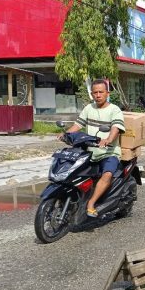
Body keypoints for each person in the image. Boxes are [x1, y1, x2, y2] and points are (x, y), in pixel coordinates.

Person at [59, 79, 125, 217]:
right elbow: (78, 125)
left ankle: (91, 203)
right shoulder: (89, 108)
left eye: (101, 92)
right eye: (95, 92)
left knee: (107, 174)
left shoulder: (115, 110)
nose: (98, 95)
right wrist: (66, 134)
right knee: (72, 171)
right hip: (89, 151)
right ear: (92, 94)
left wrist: (108, 140)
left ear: (107, 93)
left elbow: (116, 128)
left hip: (109, 152)